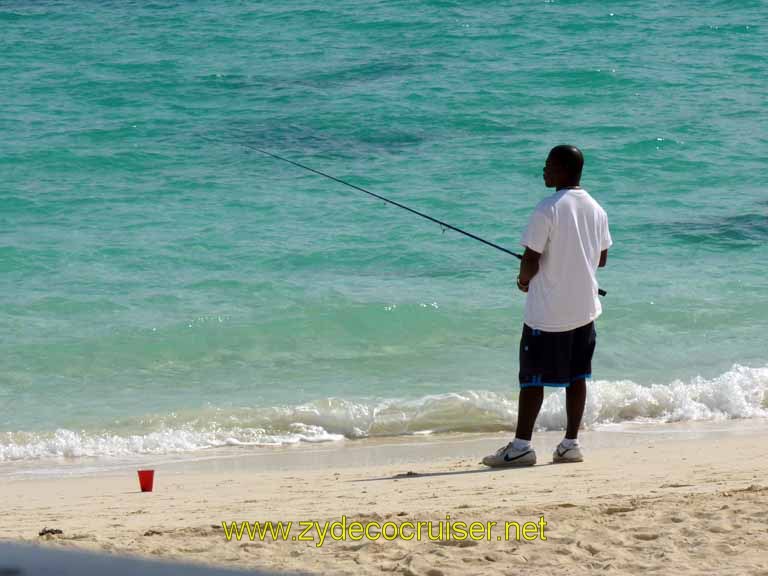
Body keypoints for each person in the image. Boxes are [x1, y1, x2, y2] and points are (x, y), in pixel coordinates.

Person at [482, 145, 612, 467]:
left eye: (549, 165)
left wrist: (523, 282)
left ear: (565, 169)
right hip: (584, 310)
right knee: (577, 377)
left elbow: (530, 260)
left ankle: (522, 446)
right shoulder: (597, 209)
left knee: (532, 380)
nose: (544, 170)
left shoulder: (547, 208)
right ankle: (570, 444)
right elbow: (602, 259)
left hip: (547, 313)